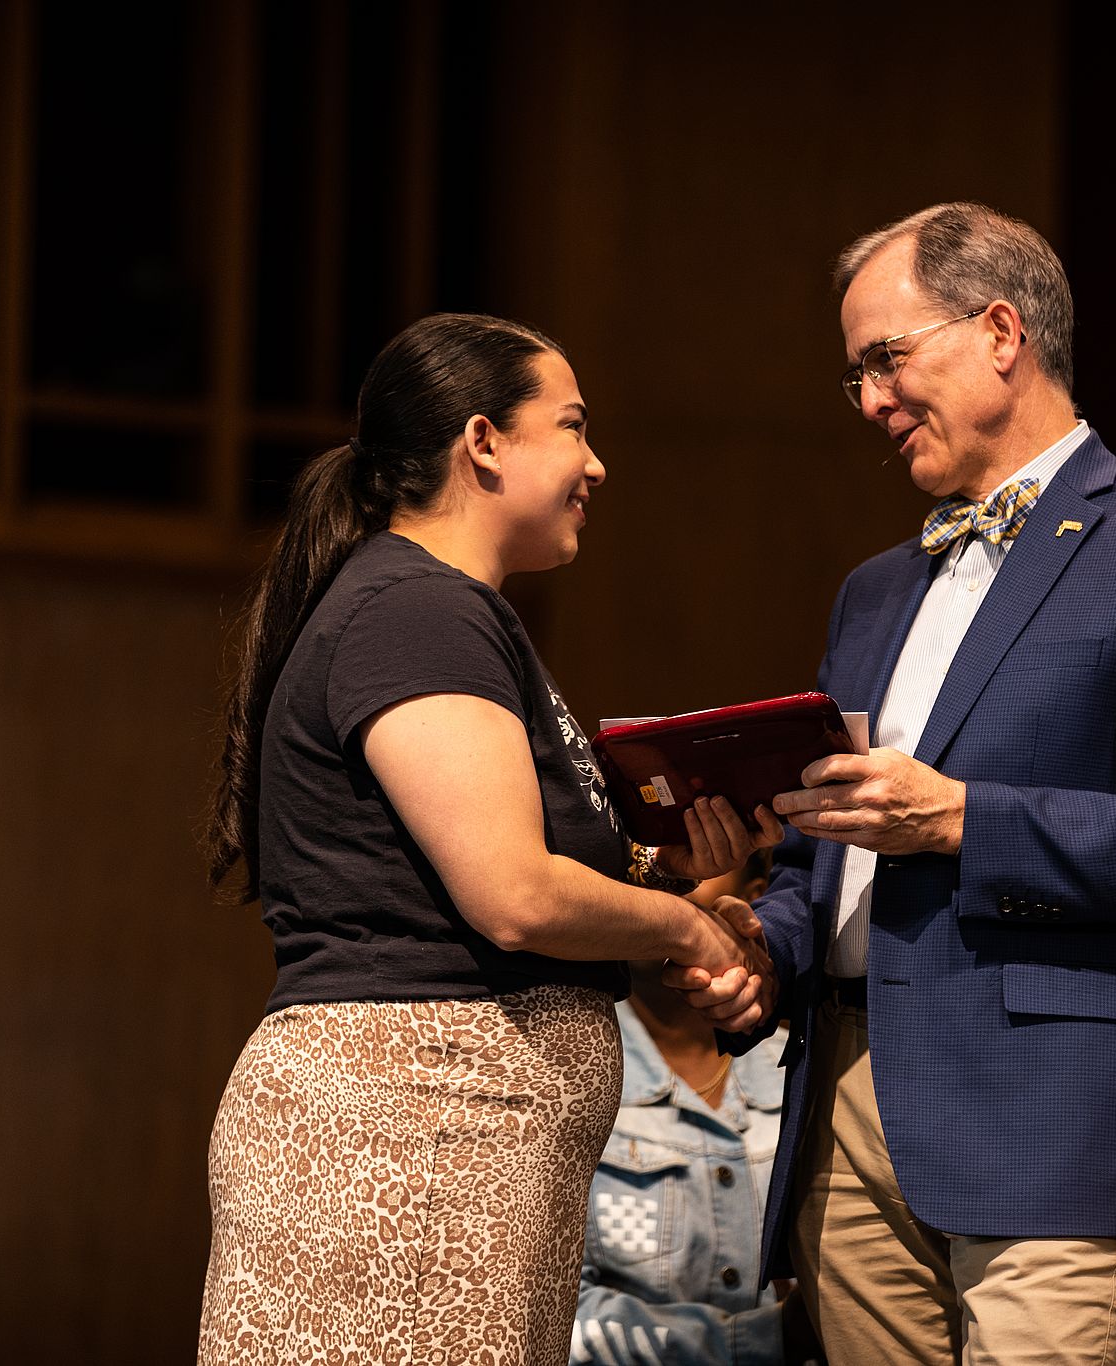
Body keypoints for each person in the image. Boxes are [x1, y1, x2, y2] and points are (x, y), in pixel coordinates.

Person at [673, 203, 1116, 1364]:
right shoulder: (872, 590)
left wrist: (958, 817)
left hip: (1041, 1116)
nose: (865, 401)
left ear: (999, 330)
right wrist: (764, 949)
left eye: (884, 359)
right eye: (851, 376)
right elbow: (828, 858)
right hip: (841, 1116)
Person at [197, 312, 779, 1364]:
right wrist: (684, 935)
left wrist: (666, 876)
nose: (596, 463)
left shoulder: (438, 607)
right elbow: (513, 892)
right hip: (411, 1135)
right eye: (571, 426)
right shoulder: (417, 609)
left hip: (446, 1141)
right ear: (482, 443)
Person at [574, 850, 824, 1366]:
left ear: (755, 895)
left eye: (692, 864)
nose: (657, 891)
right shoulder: (569, 1076)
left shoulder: (809, 1069)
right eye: (636, 869)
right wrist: (769, 1336)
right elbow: (556, 1314)